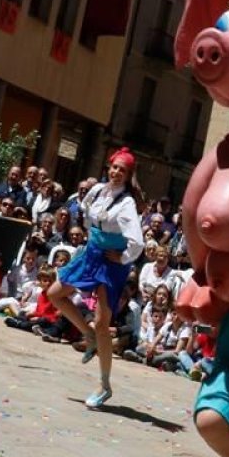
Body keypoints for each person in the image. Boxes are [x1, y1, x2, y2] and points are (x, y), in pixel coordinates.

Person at [49, 147, 145, 408]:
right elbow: (87, 210)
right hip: (91, 253)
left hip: (111, 264)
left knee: (103, 323)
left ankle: (104, 385)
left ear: (128, 175)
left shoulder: (127, 203)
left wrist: (123, 257)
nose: (115, 173)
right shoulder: (97, 191)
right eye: (114, 167)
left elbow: (137, 243)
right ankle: (87, 335)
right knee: (55, 294)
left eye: (121, 170)